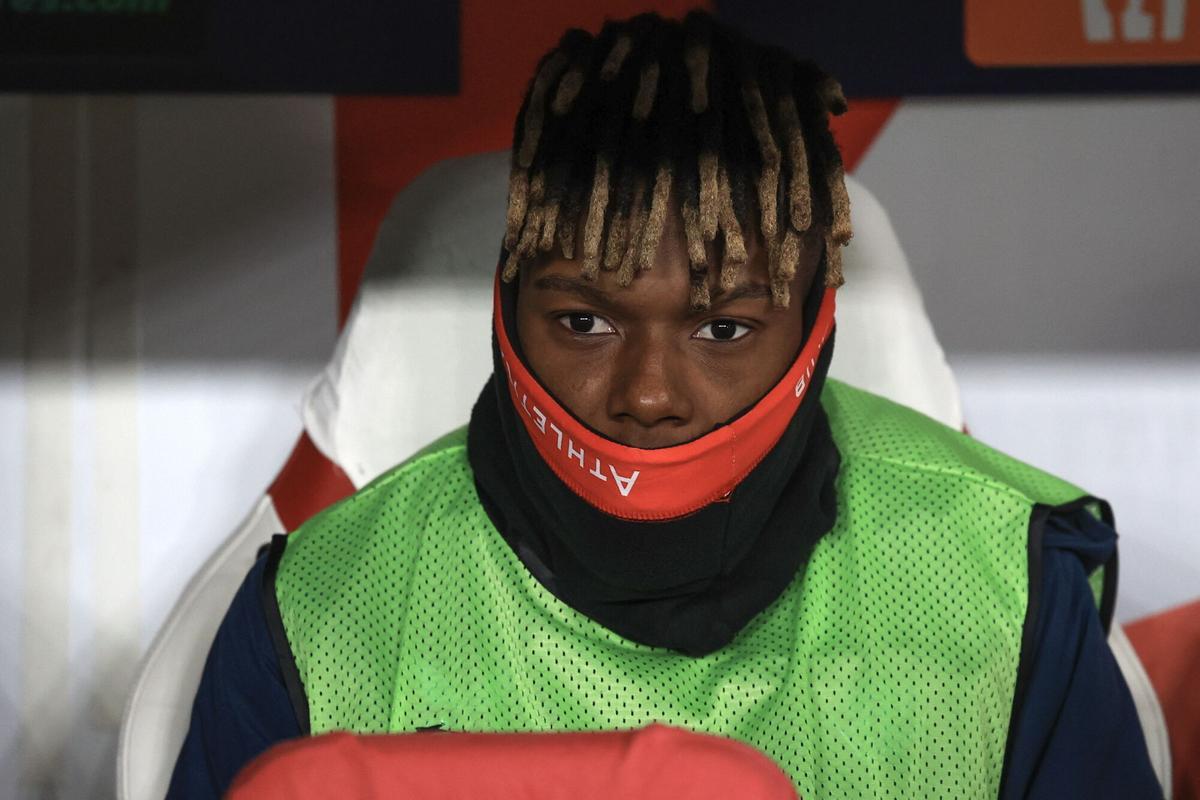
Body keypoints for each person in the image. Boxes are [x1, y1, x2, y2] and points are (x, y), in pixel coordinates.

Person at [168, 11, 1161, 799]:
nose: (645, 394)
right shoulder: (315, 613)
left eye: (724, 329)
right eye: (584, 323)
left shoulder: (1006, 589)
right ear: (505, 301)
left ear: (817, 324)